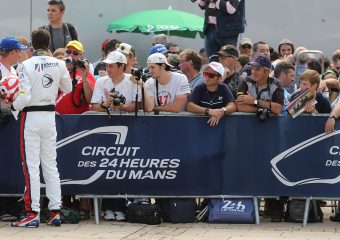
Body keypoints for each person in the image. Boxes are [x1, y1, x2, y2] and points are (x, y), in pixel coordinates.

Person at [11, 29, 72, 228]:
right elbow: (68, 88)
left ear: (32, 44)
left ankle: (33, 213)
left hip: (31, 116)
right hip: (49, 116)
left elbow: (25, 97)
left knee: (31, 167)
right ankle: (55, 212)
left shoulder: (25, 65)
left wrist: (13, 106)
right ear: (48, 44)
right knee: (50, 165)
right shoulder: (60, 63)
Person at [187, 62, 236, 126]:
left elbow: (233, 106)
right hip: (199, 125)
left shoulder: (223, 87)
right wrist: (209, 111)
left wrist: (221, 111)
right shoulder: (199, 87)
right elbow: (189, 106)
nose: (207, 77)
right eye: (205, 74)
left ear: (220, 78)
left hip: (219, 126)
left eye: (211, 75)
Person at [55, 40, 95, 114]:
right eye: (68, 52)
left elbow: (91, 100)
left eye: (75, 53)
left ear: (81, 57)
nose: (71, 55)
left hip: (77, 120)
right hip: (56, 119)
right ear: (64, 54)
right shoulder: (56, 71)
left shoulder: (86, 73)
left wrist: (85, 79)